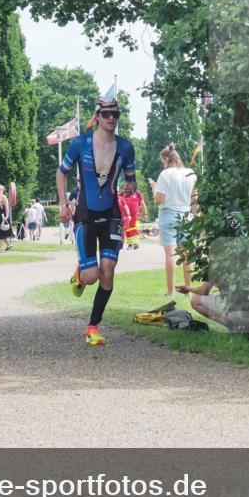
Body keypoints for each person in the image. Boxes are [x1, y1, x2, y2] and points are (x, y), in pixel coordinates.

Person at [56, 98, 137, 345]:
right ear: (98, 117)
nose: (111, 118)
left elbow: (132, 182)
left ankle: (93, 325)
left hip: (112, 215)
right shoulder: (80, 143)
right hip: (86, 216)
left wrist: (129, 187)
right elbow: (61, 173)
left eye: (116, 114)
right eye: (107, 114)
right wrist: (63, 205)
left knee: (108, 272)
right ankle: (81, 273)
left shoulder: (126, 147)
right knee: (92, 276)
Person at [149, 143, 196, 296]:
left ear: (165, 158)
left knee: (170, 254)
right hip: (186, 215)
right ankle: (188, 290)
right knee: (187, 255)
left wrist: (154, 188)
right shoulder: (191, 173)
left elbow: (159, 199)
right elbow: (194, 198)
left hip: (168, 213)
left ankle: (170, 292)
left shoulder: (165, 174)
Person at [120, 181, 148, 250]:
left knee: (135, 228)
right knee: (128, 229)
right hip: (126, 216)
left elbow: (142, 203)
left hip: (135, 215)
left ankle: (136, 243)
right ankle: (130, 244)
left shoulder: (137, 193)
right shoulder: (122, 192)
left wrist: (145, 213)